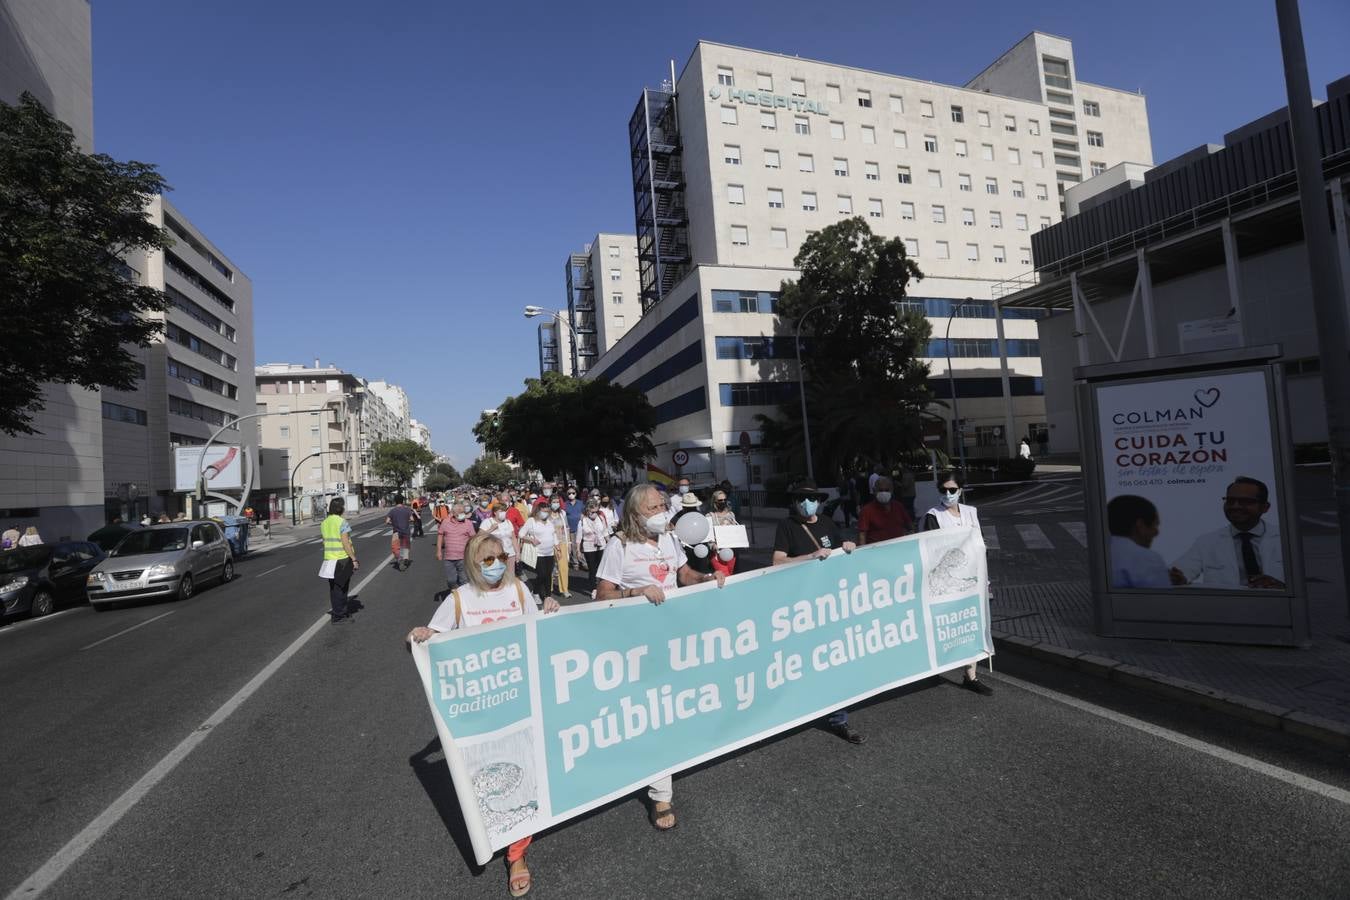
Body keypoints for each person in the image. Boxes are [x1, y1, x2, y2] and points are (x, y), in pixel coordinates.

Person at [408, 531, 560, 897]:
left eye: (501, 557)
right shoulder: (460, 599)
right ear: (474, 564)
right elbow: (435, 637)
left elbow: (537, 630)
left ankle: (517, 854)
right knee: (489, 783)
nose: (496, 565)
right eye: (487, 560)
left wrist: (550, 609)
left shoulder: (520, 591)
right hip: (479, 712)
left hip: (520, 702)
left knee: (523, 775)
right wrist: (422, 634)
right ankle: (491, 831)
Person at [594, 483, 726, 830]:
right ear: (636, 514)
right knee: (653, 712)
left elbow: (683, 575)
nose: (661, 512)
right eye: (653, 508)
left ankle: (649, 760)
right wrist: (638, 592)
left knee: (673, 708)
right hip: (635, 643)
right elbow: (602, 594)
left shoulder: (670, 539)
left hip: (674, 637)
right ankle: (660, 795)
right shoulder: (619, 545)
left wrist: (708, 577)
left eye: (662, 505)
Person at [771, 480, 863, 743]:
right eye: (799, 498)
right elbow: (777, 561)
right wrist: (809, 557)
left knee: (832, 659)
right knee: (802, 660)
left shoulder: (826, 523)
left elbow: (839, 548)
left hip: (829, 603)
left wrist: (848, 548)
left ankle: (839, 718)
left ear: (819, 501)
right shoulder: (787, 526)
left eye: (810, 499)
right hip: (801, 605)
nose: (805, 503)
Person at [919, 471, 993, 696]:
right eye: (943, 490)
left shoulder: (972, 512)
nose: (948, 494)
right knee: (944, 625)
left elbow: (978, 540)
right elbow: (932, 547)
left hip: (971, 577)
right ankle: (933, 667)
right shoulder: (933, 515)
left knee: (971, 624)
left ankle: (970, 675)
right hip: (944, 582)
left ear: (961, 489)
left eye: (952, 489)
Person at [1169, 476, 1286, 589]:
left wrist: (1282, 586)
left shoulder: (1286, 539)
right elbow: (1182, 570)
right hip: (1226, 606)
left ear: (1265, 507)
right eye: (1230, 500)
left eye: (1245, 501)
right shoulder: (1207, 542)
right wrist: (1177, 577)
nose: (1235, 506)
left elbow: (1302, 581)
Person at [1106, 495, 1170, 589]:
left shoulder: (1095, 554)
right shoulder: (1147, 559)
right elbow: (1162, 601)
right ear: (1140, 525)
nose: (1156, 533)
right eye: (1155, 525)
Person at [320, 498, 359, 624]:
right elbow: (346, 543)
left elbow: (324, 541)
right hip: (341, 559)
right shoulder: (342, 522)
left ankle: (339, 612)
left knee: (334, 589)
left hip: (329, 560)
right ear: (340, 508)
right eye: (343, 506)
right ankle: (339, 616)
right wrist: (353, 559)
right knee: (342, 589)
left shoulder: (324, 523)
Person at [518, 502, 559, 603]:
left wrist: (557, 547)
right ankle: (536, 593)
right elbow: (521, 534)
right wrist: (531, 540)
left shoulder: (549, 522)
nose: (545, 513)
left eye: (547, 511)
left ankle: (548, 596)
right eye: (543, 511)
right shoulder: (531, 521)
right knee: (542, 574)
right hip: (538, 553)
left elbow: (553, 535)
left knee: (549, 575)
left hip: (549, 553)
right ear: (538, 511)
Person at [857, 476, 914, 545]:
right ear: (874, 491)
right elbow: (862, 536)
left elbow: (910, 526)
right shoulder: (866, 510)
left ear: (892, 491)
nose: (884, 493)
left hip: (898, 548)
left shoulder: (898, 507)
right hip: (877, 551)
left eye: (887, 490)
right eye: (880, 490)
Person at [436, 502, 476, 591]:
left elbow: (473, 538)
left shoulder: (468, 523)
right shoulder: (446, 522)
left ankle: (462, 599)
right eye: (460, 512)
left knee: (464, 580)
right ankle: (455, 592)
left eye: (463, 512)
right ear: (453, 514)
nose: (462, 514)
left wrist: (474, 552)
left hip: (463, 557)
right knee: (451, 580)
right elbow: (440, 535)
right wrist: (438, 551)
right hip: (449, 557)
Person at [574, 500, 610, 592]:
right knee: (592, 568)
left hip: (601, 545)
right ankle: (594, 588)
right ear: (587, 510)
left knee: (601, 568)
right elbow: (579, 537)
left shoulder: (600, 518)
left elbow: (605, 532)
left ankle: (600, 586)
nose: (594, 514)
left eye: (596, 512)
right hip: (589, 547)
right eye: (592, 512)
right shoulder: (582, 521)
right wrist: (578, 550)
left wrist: (610, 544)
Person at [385, 495, 415, 571]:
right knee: (405, 547)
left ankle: (399, 559)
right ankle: (405, 559)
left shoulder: (393, 511)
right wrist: (406, 521)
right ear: (403, 501)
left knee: (395, 547)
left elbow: (387, 521)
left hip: (396, 532)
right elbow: (412, 519)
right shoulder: (407, 510)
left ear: (395, 501)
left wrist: (393, 523)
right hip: (406, 531)